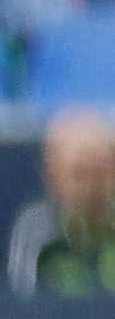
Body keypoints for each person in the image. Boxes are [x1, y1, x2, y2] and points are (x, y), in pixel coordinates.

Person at [13, 105, 115, 290]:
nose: (92, 186)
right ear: (54, 175)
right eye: (80, 173)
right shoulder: (38, 232)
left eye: (100, 171)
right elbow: (24, 309)